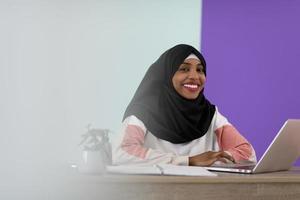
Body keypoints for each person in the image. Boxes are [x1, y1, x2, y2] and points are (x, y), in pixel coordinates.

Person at [113, 44, 256, 166]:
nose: (195, 76)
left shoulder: (209, 114)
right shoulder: (143, 112)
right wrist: (189, 161)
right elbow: (121, 153)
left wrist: (214, 158)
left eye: (200, 70)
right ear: (167, 75)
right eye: (184, 69)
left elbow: (248, 154)